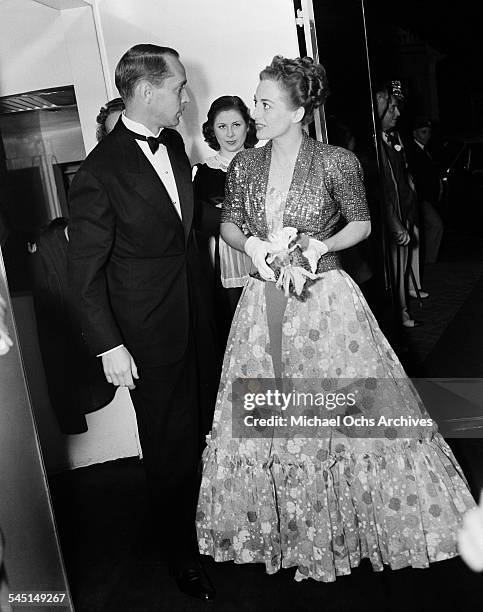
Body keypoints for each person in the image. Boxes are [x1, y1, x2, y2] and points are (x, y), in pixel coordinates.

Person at [196, 55, 475, 583]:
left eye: (265, 104)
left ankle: (363, 524)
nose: (256, 113)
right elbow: (229, 222)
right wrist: (254, 245)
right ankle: (284, 529)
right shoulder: (245, 165)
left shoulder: (336, 161)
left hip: (325, 302)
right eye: (255, 102)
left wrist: (320, 245)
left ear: (298, 110)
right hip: (263, 304)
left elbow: (364, 224)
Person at [68, 44, 217, 602]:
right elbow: (85, 274)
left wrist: (253, 237)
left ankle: (211, 527)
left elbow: (187, 218)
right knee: (170, 447)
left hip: (196, 317)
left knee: (204, 432)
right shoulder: (99, 172)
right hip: (147, 338)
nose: (186, 96)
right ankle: (180, 555)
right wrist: (110, 347)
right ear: (148, 90)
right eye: (179, 86)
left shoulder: (174, 143)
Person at [193, 96, 257, 347]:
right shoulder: (200, 173)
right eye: (222, 126)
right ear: (212, 130)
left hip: (264, 260)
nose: (230, 134)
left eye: (237, 125)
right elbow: (197, 224)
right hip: (222, 267)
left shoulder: (266, 163)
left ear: (248, 126)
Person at [376, 82, 426, 327]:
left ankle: (403, 308)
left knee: (402, 265)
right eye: (392, 109)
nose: (397, 114)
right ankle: (399, 312)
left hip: (403, 210)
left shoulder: (392, 140)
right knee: (393, 271)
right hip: (389, 217)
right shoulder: (375, 145)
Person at [406, 116, 444, 264]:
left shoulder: (424, 150)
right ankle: (429, 261)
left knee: (430, 228)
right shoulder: (414, 152)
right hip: (421, 199)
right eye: (423, 132)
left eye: (428, 132)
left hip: (427, 199)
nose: (427, 135)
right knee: (436, 225)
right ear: (415, 133)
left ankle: (428, 260)